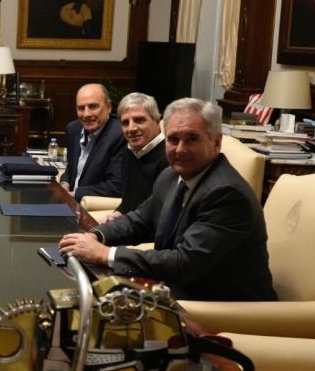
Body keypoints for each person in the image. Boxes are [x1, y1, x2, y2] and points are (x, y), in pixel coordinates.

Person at [59, 98, 277, 302]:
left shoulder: (227, 194)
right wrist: (96, 236)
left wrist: (106, 254)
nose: (180, 149)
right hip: (175, 290)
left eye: (192, 139)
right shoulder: (172, 175)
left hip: (222, 309)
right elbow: (139, 220)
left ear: (216, 142)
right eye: (173, 139)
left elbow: (183, 263)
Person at [105, 92, 168, 221]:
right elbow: (129, 201)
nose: (131, 128)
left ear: (157, 120)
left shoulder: (170, 157)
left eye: (139, 120)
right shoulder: (129, 152)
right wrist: (118, 213)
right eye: (125, 123)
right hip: (130, 226)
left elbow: (160, 215)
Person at [60, 83, 124, 200]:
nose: (86, 114)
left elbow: (116, 186)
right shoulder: (73, 129)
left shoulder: (120, 135)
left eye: (93, 107)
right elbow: (71, 167)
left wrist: (75, 194)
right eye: (81, 108)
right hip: (69, 203)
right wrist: (65, 183)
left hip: (92, 208)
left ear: (108, 107)